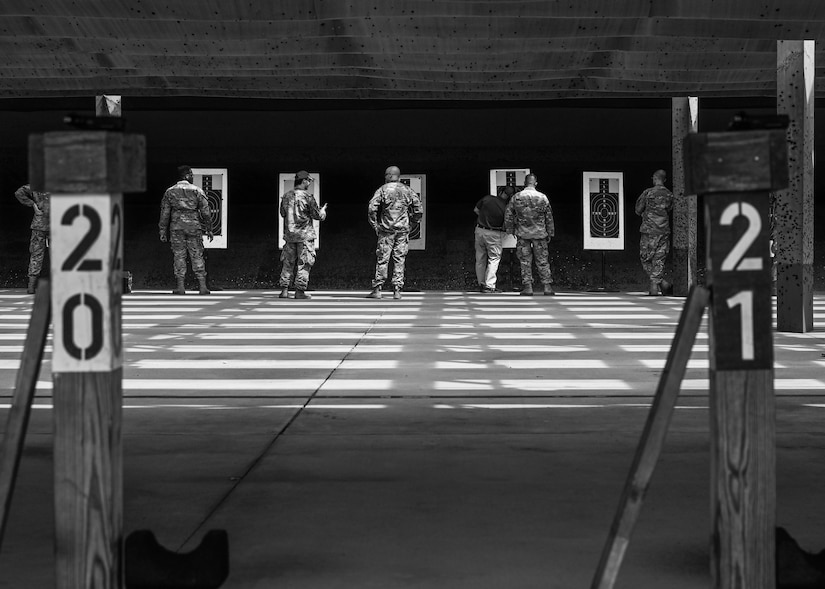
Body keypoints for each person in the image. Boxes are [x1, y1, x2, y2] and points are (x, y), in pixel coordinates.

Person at [367, 165, 423, 300]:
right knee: (400, 258)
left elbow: (372, 208)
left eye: (386, 175)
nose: (385, 177)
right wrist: (411, 224)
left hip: (386, 230)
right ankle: (397, 290)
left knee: (383, 258)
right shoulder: (408, 190)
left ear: (390, 175)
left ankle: (377, 289)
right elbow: (418, 209)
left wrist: (375, 224)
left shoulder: (382, 189)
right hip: (402, 230)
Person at [158, 165, 213, 295]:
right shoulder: (197, 191)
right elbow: (206, 212)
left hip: (176, 227)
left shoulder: (170, 192)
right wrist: (209, 229)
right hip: (194, 227)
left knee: (179, 256)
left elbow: (165, 213)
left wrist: (162, 230)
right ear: (187, 176)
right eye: (192, 175)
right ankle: (202, 287)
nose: (193, 177)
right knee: (197, 255)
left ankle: (180, 287)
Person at [278, 170, 327, 300]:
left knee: (287, 263)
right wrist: (323, 212)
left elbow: (282, 213)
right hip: (305, 236)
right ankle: (300, 291)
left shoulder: (286, 196)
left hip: (289, 236)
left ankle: (284, 290)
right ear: (304, 181)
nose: (309, 183)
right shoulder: (308, 197)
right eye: (309, 181)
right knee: (304, 263)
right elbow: (317, 215)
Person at [504, 174, 555, 296]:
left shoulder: (517, 197)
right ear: (535, 183)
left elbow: (508, 214)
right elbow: (549, 216)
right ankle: (547, 287)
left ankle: (528, 287)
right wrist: (550, 232)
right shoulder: (543, 197)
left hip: (523, 234)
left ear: (524, 183)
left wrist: (510, 230)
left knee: (525, 261)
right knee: (542, 260)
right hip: (540, 234)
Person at [635, 169, 674, 296]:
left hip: (648, 231)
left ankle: (654, 285)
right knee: (659, 258)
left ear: (654, 178)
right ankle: (661, 283)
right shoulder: (669, 195)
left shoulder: (647, 193)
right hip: (663, 230)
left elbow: (638, 210)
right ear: (665, 180)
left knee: (645, 258)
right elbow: (669, 209)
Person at [473, 185, 515, 293]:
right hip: (494, 233)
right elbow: (507, 224)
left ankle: (481, 284)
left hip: (479, 230)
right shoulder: (506, 207)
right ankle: (489, 285)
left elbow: (476, 210)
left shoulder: (487, 198)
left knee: (480, 258)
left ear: (501, 192)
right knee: (494, 258)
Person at [14, 184, 51, 294]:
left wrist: (33, 204)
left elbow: (19, 193)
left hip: (39, 224)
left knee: (36, 254)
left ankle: (31, 286)